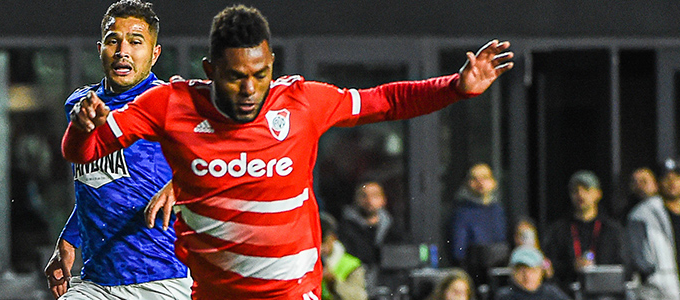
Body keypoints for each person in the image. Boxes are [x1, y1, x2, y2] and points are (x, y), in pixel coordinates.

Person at [62, 4, 513, 299]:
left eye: (260, 74)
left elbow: (385, 100)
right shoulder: (170, 104)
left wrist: (454, 87)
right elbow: (83, 152)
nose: (249, 89)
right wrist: (83, 130)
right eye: (235, 76)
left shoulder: (302, 102)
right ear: (209, 69)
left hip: (292, 292)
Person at [43, 1, 191, 299]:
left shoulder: (171, 103)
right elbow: (98, 185)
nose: (123, 50)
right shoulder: (81, 105)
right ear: (100, 49)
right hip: (96, 282)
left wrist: (181, 183)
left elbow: (228, 156)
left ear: (154, 53)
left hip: (161, 279)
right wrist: (69, 241)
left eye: (136, 42)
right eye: (114, 40)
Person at [542, 170, 628, 296]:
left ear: (598, 194)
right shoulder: (558, 230)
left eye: (586, 189)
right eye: (575, 191)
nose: (580, 194)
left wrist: (597, 269)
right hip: (568, 293)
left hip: (605, 294)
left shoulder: (613, 230)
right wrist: (572, 265)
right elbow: (549, 265)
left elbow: (626, 266)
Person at [627, 158, 680, 300]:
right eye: (666, 178)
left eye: (676, 178)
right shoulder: (644, 214)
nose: (672, 183)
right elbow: (637, 255)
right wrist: (649, 274)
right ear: (658, 183)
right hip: (662, 289)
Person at [449, 164, 508, 276]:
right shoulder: (462, 213)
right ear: (468, 183)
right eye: (475, 179)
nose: (480, 183)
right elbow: (459, 252)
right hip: (474, 271)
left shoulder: (498, 210)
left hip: (499, 269)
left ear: (493, 182)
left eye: (485, 177)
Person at [338, 181, 406, 271]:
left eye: (375, 196)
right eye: (364, 196)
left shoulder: (393, 228)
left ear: (383, 200)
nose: (369, 200)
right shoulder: (345, 229)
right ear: (356, 199)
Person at [494, 246, 570, 300]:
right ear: (513, 272)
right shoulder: (504, 296)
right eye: (521, 271)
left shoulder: (552, 293)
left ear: (541, 272)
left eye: (533, 270)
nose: (527, 276)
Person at [321, 212, 367, 300]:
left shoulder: (351, 266)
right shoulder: (301, 262)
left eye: (323, 241)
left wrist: (333, 282)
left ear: (333, 238)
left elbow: (359, 297)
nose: (321, 248)